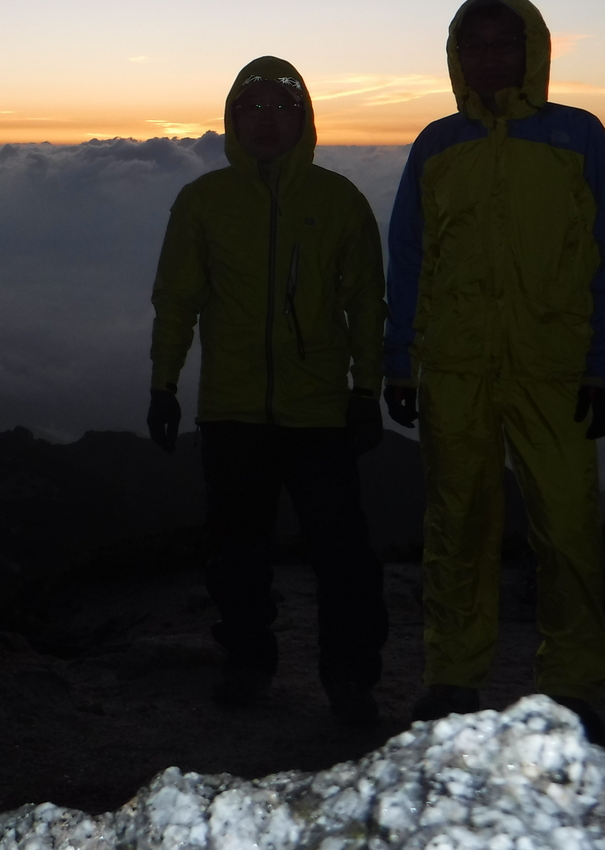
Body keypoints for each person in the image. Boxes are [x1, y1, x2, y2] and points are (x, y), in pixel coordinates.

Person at [383, 0, 605, 743]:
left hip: (553, 366)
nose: (491, 58)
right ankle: (452, 676)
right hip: (456, 366)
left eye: (505, 44)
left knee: (566, 529)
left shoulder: (578, 137)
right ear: (456, 58)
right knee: (456, 524)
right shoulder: (435, 144)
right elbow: (408, 256)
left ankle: (574, 686)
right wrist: (402, 364)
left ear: (534, 51)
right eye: (476, 46)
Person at [145, 57, 389, 726]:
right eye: (252, 106)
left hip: (319, 413)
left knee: (344, 561)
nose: (267, 119)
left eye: (282, 106)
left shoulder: (338, 201)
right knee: (237, 558)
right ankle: (248, 664)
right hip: (232, 411)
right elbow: (178, 300)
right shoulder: (203, 202)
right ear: (231, 119)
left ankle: (350, 682)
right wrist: (164, 383)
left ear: (304, 118)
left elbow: (368, 302)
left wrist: (367, 390)